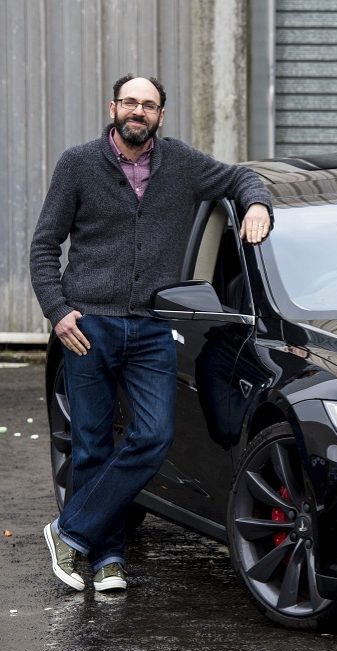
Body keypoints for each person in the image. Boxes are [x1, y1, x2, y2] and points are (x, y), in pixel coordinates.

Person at [30, 74, 274, 592]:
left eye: (149, 105)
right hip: (87, 326)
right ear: (113, 107)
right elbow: (44, 246)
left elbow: (241, 178)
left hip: (150, 328)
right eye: (130, 102)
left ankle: (68, 532)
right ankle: (107, 558)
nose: (138, 111)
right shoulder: (77, 164)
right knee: (93, 445)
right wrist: (58, 312)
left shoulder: (182, 164)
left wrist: (256, 205)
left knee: (154, 436)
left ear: (161, 115)